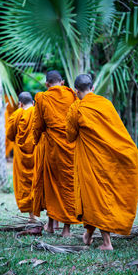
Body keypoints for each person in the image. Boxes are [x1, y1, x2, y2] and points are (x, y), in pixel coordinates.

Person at [66, 74, 138, 250]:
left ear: (76, 91)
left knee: (96, 197)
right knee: (94, 197)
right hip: (109, 159)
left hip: (92, 161)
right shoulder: (105, 104)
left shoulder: (76, 109)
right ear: (92, 88)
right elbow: (116, 130)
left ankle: (107, 243)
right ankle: (88, 235)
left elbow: (70, 136)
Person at [32, 70, 80, 236]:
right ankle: (66, 229)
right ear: (62, 82)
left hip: (52, 147)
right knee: (68, 186)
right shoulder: (72, 95)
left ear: (47, 84)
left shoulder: (42, 98)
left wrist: (35, 140)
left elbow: (38, 124)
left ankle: (52, 225)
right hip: (72, 147)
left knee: (51, 186)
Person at [6, 92, 36, 222]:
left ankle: (32, 216)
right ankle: (50, 219)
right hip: (36, 153)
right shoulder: (38, 113)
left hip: (21, 155)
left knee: (24, 183)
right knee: (36, 180)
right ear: (33, 103)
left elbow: (9, 134)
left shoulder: (16, 114)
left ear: (20, 104)